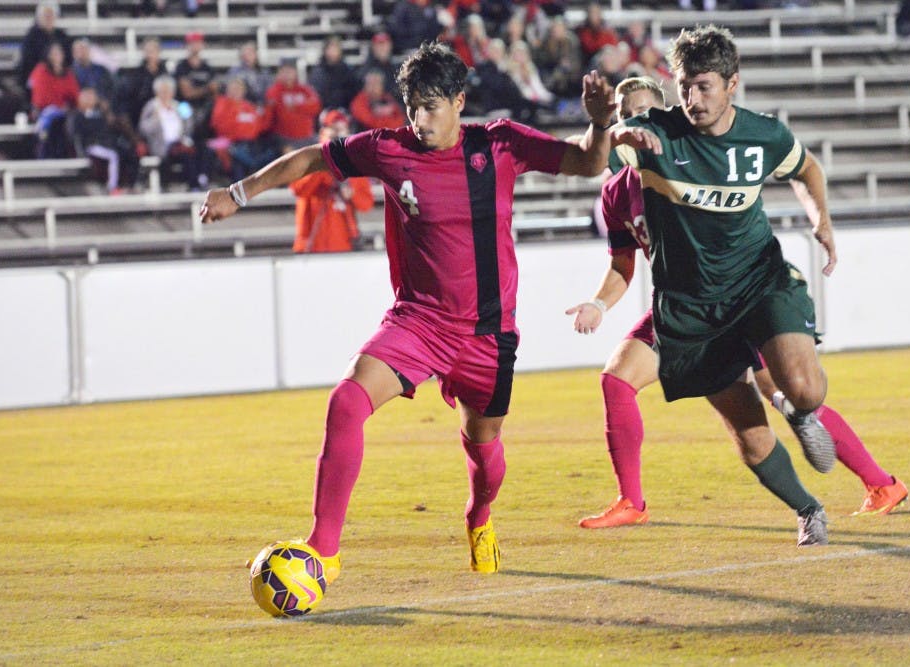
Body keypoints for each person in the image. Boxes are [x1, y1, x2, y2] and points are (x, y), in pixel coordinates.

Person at [200, 42, 655, 584]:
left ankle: (479, 516)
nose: (419, 119)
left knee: (484, 450)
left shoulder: (500, 143)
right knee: (346, 400)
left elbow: (587, 162)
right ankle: (323, 550)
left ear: (460, 102)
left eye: (432, 106)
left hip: (489, 334)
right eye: (413, 106)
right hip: (418, 321)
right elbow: (312, 158)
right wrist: (239, 192)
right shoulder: (388, 149)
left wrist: (601, 123)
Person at [568, 77, 908, 537]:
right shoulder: (614, 193)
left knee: (787, 393)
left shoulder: (690, 158)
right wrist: (598, 304)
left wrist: (819, 223)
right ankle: (635, 499)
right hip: (685, 308)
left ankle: (879, 482)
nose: (639, 124)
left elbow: (774, 176)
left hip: (740, 295)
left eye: (647, 113)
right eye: (630, 115)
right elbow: (622, 262)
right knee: (624, 382)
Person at [290, 110, 373, 253]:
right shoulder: (309, 158)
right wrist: (324, 160)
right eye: (334, 129)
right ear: (323, 132)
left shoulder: (354, 163)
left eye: (342, 130)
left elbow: (366, 204)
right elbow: (298, 190)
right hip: (312, 244)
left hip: (344, 244)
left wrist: (352, 194)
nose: (338, 135)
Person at [68, 87, 140, 194]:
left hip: (108, 143)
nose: (90, 100)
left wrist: (107, 113)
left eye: (92, 97)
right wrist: (81, 152)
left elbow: (112, 129)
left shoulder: (101, 114)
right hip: (92, 145)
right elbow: (77, 136)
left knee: (129, 153)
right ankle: (112, 187)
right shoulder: (77, 116)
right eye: (87, 97)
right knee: (112, 155)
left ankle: (130, 184)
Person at [265, 58, 322, 153]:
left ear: (295, 72)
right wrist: (301, 108)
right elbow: (280, 112)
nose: (287, 74)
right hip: (285, 138)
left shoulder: (305, 89)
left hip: (308, 137)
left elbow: (316, 107)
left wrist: (296, 107)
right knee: (290, 156)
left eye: (290, 71)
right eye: (284, 71)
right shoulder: (274, 90)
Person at [17, 0, 72, 91]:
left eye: (51, 15)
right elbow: (27, 63)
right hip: (38, 80)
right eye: (45, 15)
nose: (48, 18)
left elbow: (69, 60)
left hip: (60, 78)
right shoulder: (31, 37)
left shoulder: (62, 36)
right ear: (39, 17)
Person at [308, 36, 359, 113]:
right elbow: (315, 96)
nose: (333, 52)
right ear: (325, 51)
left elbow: (354, 95)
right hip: (323, 112)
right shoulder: (317, 72)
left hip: (345, 111)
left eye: (335, 49)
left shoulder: (348, 71)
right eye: (330, 49)